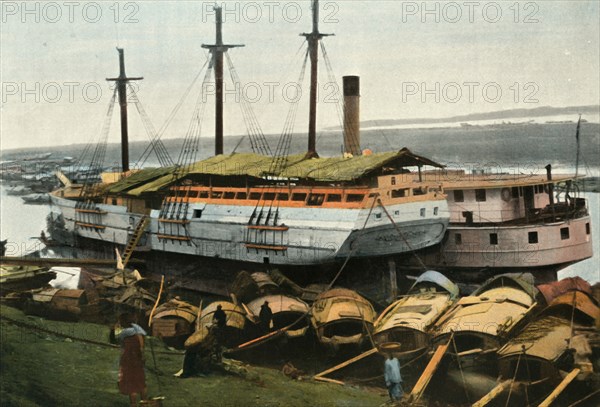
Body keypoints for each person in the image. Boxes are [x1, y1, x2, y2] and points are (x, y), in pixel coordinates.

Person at [114, 313, 148, 406]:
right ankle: (144, 403)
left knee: (132, 385)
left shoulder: (125, 332)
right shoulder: (139, 331)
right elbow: (141, 346)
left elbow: (117, 338)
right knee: (141, 382)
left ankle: (133, 404)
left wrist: (116, 328)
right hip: (138, 358)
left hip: (128, 359)